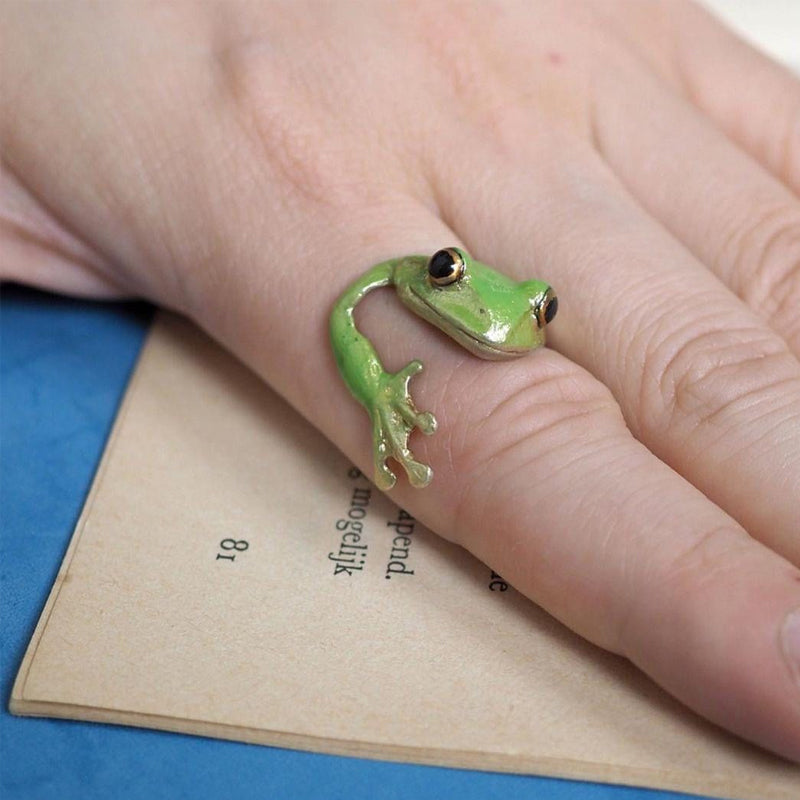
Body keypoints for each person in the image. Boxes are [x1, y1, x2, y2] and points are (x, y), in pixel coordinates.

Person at [2, 0, 799, 762]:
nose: (513, 316)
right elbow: (352, 300)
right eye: (448, 268)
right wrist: (378, 387)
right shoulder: (404, 276)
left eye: (542, 307)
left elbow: (516, 308)